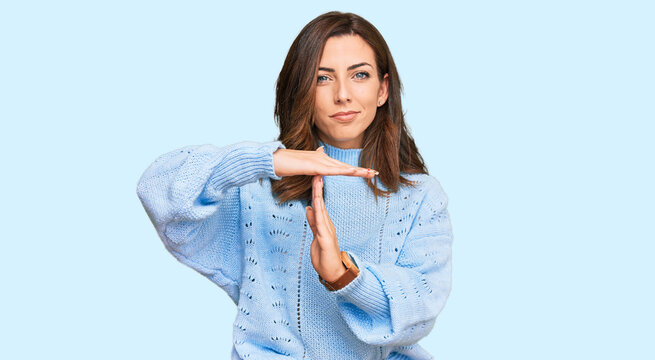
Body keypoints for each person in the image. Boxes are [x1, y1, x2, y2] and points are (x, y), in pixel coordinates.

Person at [136, 11, 453, 360]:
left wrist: (343, 276)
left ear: (383, 90)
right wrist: (267, 161)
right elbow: (158, 189)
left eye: (359, 75)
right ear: (302, 90)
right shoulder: (256, 190)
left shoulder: (420, 196)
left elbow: (421, 307)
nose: (343, 95)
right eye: (322, 78)